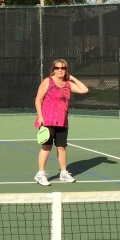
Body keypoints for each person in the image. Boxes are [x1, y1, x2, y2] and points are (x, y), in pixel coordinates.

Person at [33, 58, 88, 186]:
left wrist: (72, 77)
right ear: (53, 69)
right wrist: (40, 116)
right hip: (47, 119)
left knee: (62, 148)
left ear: (66, 70)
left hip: (62, 121)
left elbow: (84, 90)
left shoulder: (68, 84)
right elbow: (38, 99)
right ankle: (40, 174)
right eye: (57, 68)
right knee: (46, 147)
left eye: (63, 68)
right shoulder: (48, 81)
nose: (60, 70)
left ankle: (63, 173)